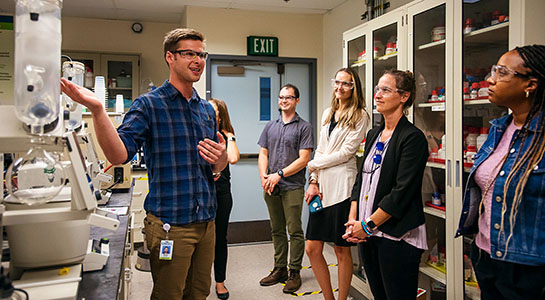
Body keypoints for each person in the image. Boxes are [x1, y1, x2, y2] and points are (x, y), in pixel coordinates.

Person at [61, 28, 227, 300]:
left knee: (199, 293)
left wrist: (219, 162)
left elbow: (213, 167)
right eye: (189, 53)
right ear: (170, 57)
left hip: (207, 222)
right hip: (171, 225)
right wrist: (98, 110)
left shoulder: (206, 110)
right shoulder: (149, 105)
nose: (198, 60)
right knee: (168, 294)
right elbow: (119, 155)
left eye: (201, 54)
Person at [456, 45, 545, 300]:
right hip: (487, 256)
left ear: (530, 85)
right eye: (494, 70)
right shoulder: (499, 129)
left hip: (527, 268)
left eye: (502, 72)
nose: (490, 79)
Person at [343, 70, 428, 300]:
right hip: (368, 231)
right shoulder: (374, 133)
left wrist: (368, 225)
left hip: (396, 235)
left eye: (385, 90)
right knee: (379, 295)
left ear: (404, 96)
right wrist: (354, 219)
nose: (377, 95)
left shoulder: (412, 138)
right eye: (377, 89)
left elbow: (401, 193)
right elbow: (361, 179)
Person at [304, 67, 369, 300]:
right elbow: (322, 148)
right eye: (337, 82)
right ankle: (328, 298)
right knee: (312, 247)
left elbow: (346, 153)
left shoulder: (361, 115)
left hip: (343, 185)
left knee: (341, 249)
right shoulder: (327, 113)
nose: (340, 87)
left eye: (347, 83)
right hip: (321, 186)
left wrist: (313, 164)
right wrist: (313, 180)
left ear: (354, 88)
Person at [257, 83, 314, 294]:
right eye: (281, 97)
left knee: (295, 230)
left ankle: (294, 272)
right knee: (276, 229)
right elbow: (263, 153)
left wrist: (279, 174)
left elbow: (304, 160)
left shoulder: (304, 127)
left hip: (292, 186)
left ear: (297, 100)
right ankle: (280, 268)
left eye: (288, 97)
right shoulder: (270, 126)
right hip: (271, 186)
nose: (284, 101)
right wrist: (264, 176)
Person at [208, 98, 240, 300]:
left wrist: (230, 137)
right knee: (199, 239)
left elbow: (234, 158)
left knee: (220, 239)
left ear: (220, 116)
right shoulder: (198, 131)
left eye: (213, 111)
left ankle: (220, 282)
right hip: (202, 193)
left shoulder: (226, 135)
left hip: (221, 194)